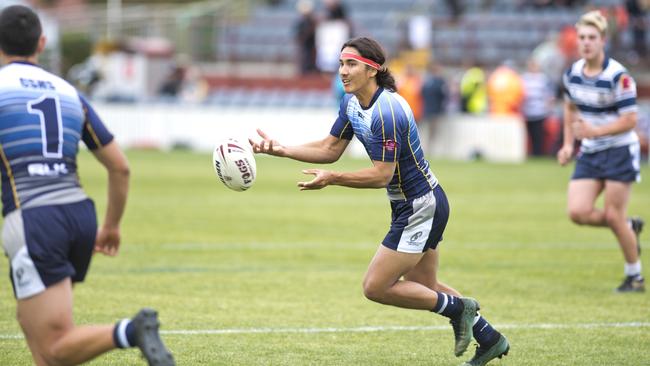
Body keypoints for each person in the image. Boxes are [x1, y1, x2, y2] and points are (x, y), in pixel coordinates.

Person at [250, 36, 509, 366]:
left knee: (376, 287)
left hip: (420, 206)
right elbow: (330, 149)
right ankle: (489, 339)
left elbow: (381, 175)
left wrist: (333, 179)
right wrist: (283, 149)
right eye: (341, 64)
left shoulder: (387, 111)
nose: (343, 71)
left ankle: (460, 308)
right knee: (424, 286)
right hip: (419, 202)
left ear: (372, 70)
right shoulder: (352, 103)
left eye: (351, 64)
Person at [0, 5, 175, 365]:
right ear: (42, 43)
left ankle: (130, 331)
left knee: (52, 348)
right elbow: (120, 167)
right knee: (33, 325)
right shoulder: (68, 92)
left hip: (35, 220)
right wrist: (110, 226)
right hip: (80, 216)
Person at [557, 10, 645, 293]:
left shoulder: (618, 76)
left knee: (612, 214)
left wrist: (593, 132)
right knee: (577, 212)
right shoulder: (572, 74)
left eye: (592, 37)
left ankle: (635, 276)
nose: (586, 43)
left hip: (619, 150)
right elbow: (569, 108)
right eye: (582, 37)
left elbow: (630, 120)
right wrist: (569, 143)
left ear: (603, 40)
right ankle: (629, 226)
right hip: (592, 152)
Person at [521, 58, 555, 156]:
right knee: (530, 134)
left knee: (538, 134)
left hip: (539, 111)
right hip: (527, 111)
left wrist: (548, 108)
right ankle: (532, 153)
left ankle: (538, 153)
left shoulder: (543, 78)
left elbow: (549, 95)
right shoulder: (525, 78)